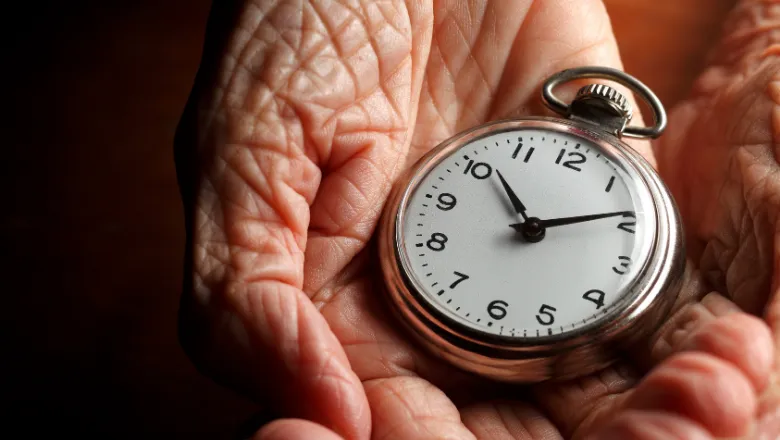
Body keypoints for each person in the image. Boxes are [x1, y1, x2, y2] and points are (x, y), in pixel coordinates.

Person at [174, 1, 780, 439]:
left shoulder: (606, 187)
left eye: (531, 225)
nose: (527, 226)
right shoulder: (500, 154)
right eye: (527, 220)